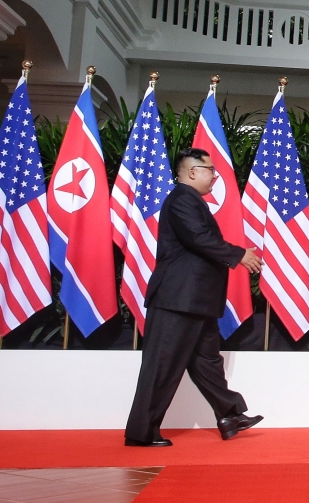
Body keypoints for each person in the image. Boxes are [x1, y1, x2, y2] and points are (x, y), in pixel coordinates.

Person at [125, 148, 265, 447]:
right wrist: (239, 254)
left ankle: (230, 416)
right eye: (209, 169)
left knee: (207, 362)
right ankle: (142, 433)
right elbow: (198, 238)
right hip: (178, 299)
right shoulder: (181, 200)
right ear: (192, 172)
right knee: (162, 365)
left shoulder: (190, 201)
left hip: (196, 300)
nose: (214, 175)